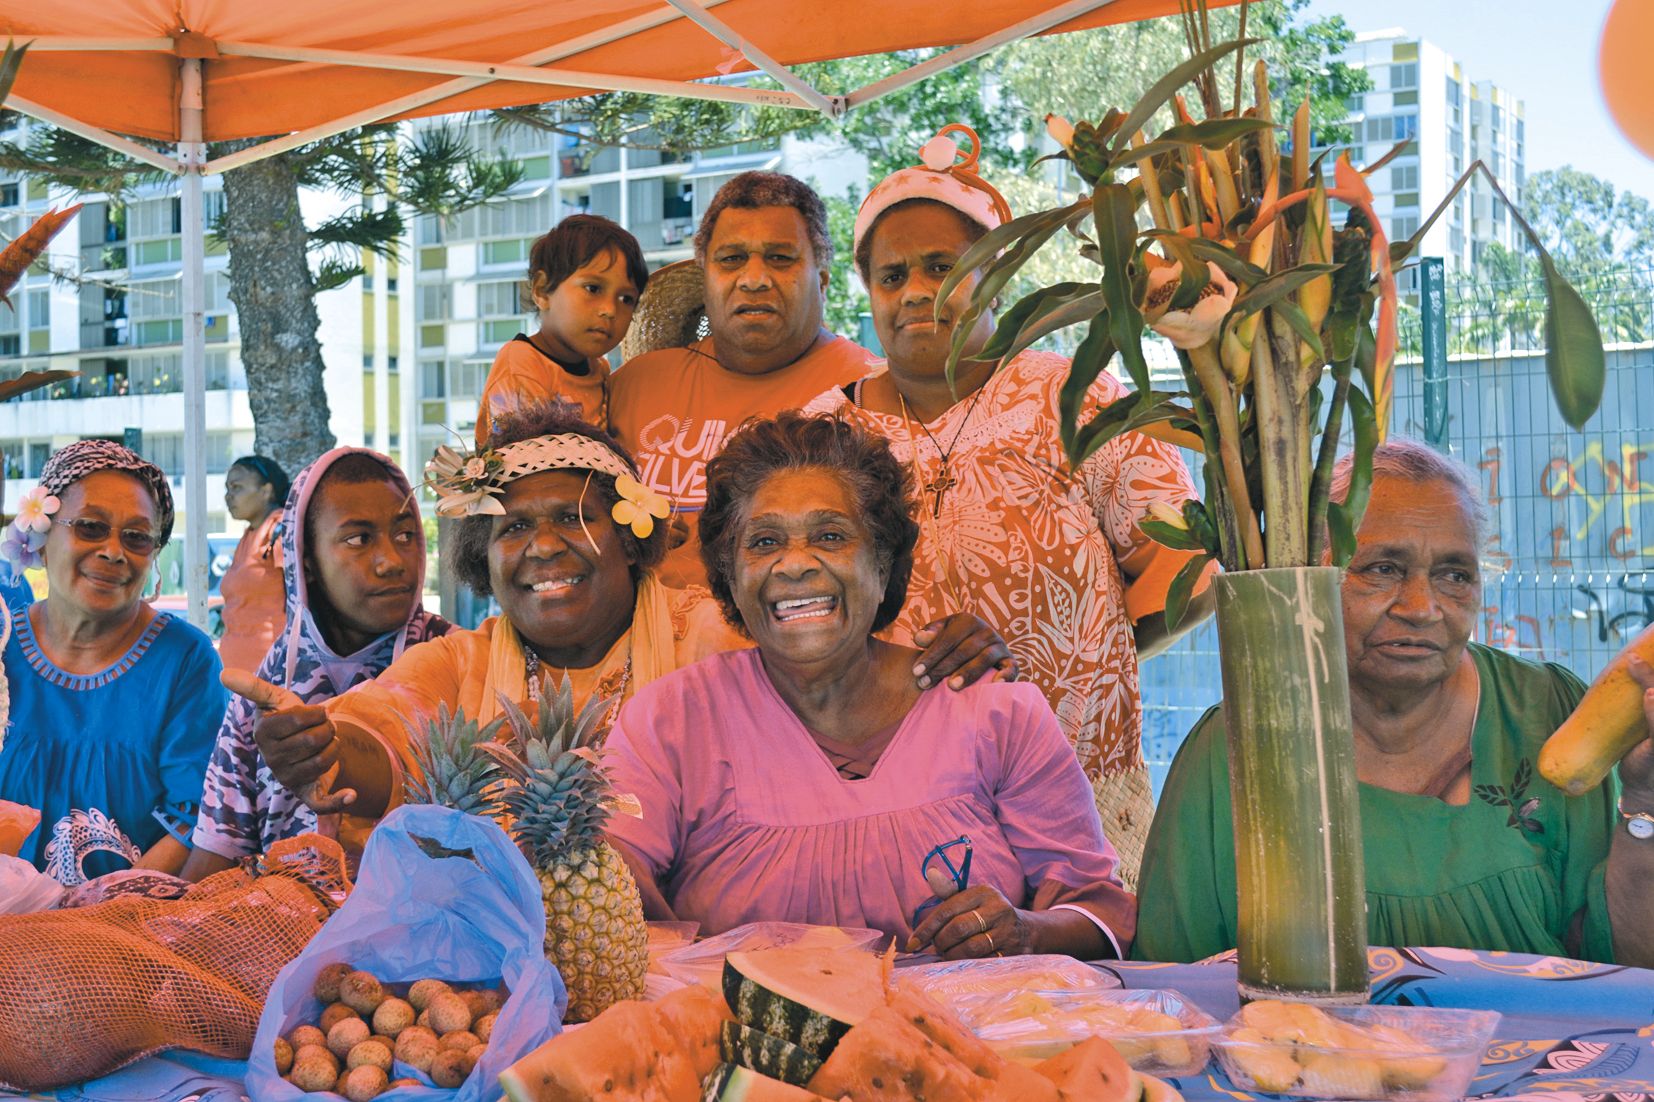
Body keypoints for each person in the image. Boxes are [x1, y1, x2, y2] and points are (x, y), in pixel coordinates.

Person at [242, 404, 1016, 835]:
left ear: (629, 535)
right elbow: (383, 731)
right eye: (513, 528)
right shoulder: (459, 664)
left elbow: (841, 666)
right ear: (486, 556)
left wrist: (945, 653)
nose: (544, 547)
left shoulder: (711, 633)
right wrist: (323, 747)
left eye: (575, 519)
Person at [807, 125, 1213, 884]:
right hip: (891, 804)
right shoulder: (819, 435)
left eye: (942, 266)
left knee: (1082, 993)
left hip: (1078, 794)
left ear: (996, 270)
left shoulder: (1073, 394)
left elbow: (1186, 567)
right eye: (892, 277)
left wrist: (1083, 652)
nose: (916, 292)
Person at [604, 412, 1137, 958]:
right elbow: (610, 895)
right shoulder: (672, 721)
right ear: (730, 578)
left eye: (830, 536)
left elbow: (1096, 911)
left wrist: (1026, 930)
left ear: (883, 564)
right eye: (763, 542)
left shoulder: (995, 710)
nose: (794, 565)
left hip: (975, 1034)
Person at [1136, 439, 1654, 967]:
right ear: (1314, 578)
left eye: (1455, 575)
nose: (1422, 608)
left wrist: (1646, 802)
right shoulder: (1238, 746)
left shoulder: (1547, 713)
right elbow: (1175, 983)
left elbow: (1628, 968)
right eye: (1383, 568)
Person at [182, 448, 453, 880]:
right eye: (360, 539)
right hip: (279, 933)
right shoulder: (267, 684)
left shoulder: (454, 660)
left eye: (405, 535)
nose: (393, 561)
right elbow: (219, 845)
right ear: (304, 560)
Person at [609, 172, 875, 587]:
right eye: (732, 259)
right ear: (706, 277)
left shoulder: (870, 392)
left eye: (780, 258)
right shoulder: (634, 384)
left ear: (821, 281)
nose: (753, 279)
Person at [0, 440, 226, 881]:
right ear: (41, 539)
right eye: (90, 527)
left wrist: (97, 916)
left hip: (127, 927)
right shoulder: (1, 643)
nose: (113, 551)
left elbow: (196, 818)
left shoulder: (185, 660)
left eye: (137, 537)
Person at [475, 215, 648, 444]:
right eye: (593, 288)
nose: (610, 310)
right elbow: (520, 463)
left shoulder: (599, 370)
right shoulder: (520, 364)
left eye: (626, 299)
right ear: (542, 291)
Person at [218, 454, 290, 673]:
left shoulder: (280, 529)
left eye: (237, 487)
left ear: (266, 491)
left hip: (270, 673)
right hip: (236, 675)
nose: (228, 496)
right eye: (227, 488)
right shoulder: (249, 535)